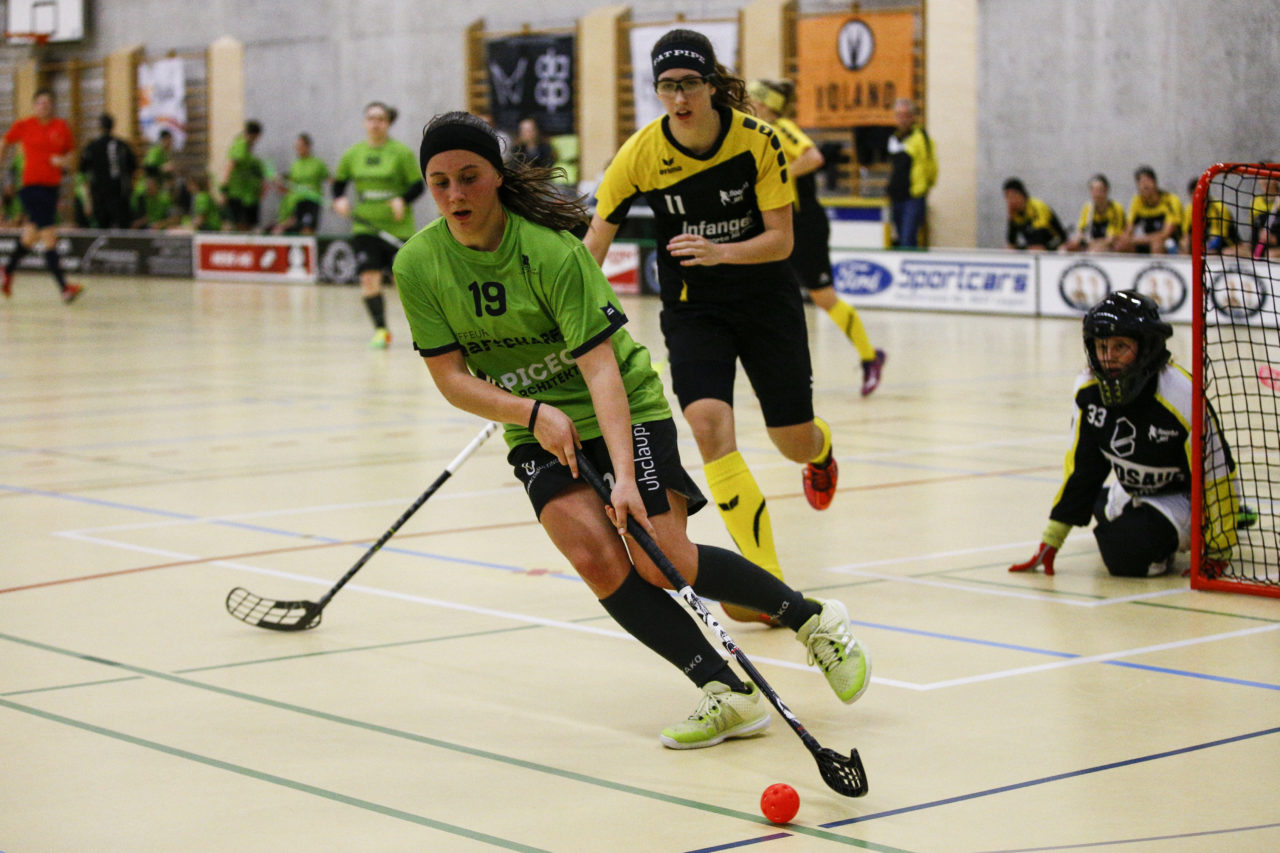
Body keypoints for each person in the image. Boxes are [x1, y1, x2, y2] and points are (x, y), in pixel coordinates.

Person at [394, 109, 870, 749]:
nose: (455, 195)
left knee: (661, 558)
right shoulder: (419, 265)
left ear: (498, 178)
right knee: (592, 557)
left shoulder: (552, 253)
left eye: (469, 177)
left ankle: (813, 620)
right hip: (538, 424)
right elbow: (451, 379)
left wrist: (621, 475)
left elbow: (602, 372)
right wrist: (531, 414)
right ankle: (724, 692)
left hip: (622, 406)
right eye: (440, 181)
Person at [582, 29, 840, 625]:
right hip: (694, 305)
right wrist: (572, 311)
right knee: (707, 424)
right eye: (667, 87)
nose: (679, 98)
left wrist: (722, 252)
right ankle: (767, 588)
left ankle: (820, 452)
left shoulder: (759, 141)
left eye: (690, 84)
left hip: (765, 296)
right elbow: (596, 238)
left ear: (711, 84)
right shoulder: (640, 153)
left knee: (791, 439)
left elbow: (782, 240)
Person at [1008, 291, 1240, 579]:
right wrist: (1051, 540)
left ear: (1147, 347)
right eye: (1102, 346)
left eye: (1121, 346)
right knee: (1096, 500)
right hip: (1132, 490)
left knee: (1121, 554)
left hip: (1182, 498)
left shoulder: (1181, 394)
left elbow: (1215, 475)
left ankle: (1202, 530)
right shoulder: (1087, 389)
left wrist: (1219, 549)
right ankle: (1155, 533)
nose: (1109, 357)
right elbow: (1083, 468)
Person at [747, 78, 886, 396]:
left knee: (824, 298)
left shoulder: (781, 127)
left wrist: (777, 176)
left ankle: (870, 357)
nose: (748, 105)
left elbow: (813, 158)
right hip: (778, 226)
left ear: (766, 105)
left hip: (805, 224)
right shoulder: (757, 134)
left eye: (753, 100)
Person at [332, 101, 423, 348]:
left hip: (397, 227)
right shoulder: (353, 153)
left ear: (387, 123)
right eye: (370, 118)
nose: (375, 123)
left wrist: (402, 200)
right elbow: (339, 183)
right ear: (365, 122)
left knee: (403, 281)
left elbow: (418, 185)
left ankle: (423, 330)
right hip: (366, 226)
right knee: (368, 279)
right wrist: (338, 199)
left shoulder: (401, 153)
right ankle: (381, 329)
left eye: (380, 119)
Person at [0, 89, 81, 303]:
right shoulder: (24, 125)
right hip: (31, 188)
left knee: (30, 237)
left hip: (51, 189)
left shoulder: (61, 127)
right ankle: (64, 288)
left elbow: (72, 158)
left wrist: (63, 161)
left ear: (52, 106)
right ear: (34, 105)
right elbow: (5, 141)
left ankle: (6, 271)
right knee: (49, 236)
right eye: (40, 103)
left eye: (47, 103)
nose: (44, 106)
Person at [886, 97, 938, 248]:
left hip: (913, 197)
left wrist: (924, 188)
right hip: (897, 196)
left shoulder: (920, 138)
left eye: (906, 115)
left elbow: (930, 166)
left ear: (913, 117)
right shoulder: (894, 138)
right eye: (899, 115)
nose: (902, 120)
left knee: (908, 240)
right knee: (899, 237)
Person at [78, 113, 137, 229]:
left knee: (102, 228)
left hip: (99, 194)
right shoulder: (122, 145)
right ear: (113, 126)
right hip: (119, 193)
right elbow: (134, 169)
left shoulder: (92, 146)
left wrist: (87, 198)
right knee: (122, 229)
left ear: (100, 127)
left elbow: (82, 170)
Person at [275, 133, 329, 234]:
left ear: (308, 146)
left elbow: (329, 179)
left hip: (312, 201)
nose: (298, 149)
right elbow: (290, 185)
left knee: (308, 229)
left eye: (301, 146)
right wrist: (281, 184)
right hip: (297, 202)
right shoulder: (295, 165)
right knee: (294, 228)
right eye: (297, 147)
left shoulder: (317, 163)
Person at [222, 120, 271, 232]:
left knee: (249, 225)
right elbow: (230, 165)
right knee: (240, 224)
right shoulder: (241, 145)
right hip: (238, 193)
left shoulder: (250, 149)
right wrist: (224, 189)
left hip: (248, 195)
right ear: (255, 135)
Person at [1124, 165, 1182, 255]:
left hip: (1171, 243)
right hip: (1147, 241)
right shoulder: (1137, 201)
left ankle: (1158, 269)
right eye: (1140, 182)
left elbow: (1166, 233)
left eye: (1147, 181)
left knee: (1157, 244)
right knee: (1122, 244)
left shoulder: (1171, 200)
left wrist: (1137, 239)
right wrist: (1127, 239)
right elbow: (1128, 231)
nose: (1144, 185)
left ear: (1155, 182)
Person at [1063, 173, 1128, 253]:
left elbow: (1111, 238)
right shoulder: (1088, 208)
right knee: (1066, 248)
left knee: (1099, 250)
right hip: (1092, 243)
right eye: (1094, 191)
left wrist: (1094, 245)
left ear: (1106, 190)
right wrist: (1074, 243)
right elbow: (1081, 232)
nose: (1097, 195)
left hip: (1112, 244)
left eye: (1100, 190)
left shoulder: (1116, 208)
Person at [1003, 177, 1065, 251]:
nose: (1010, 201)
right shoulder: (1015, 214)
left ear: (1021, 195)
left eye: (1012, 196)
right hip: (1033, 246)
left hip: (1055, 241)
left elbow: (1040, 235)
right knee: (1009, 250)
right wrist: (1010, 219)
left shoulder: (1037, 207)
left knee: (1036, 250)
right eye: (1007, 197)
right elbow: (1012, 241)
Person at [1180, 176, 1237, 255]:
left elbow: (1216, 241)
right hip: (1204, 248)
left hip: (1225, 246)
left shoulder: (1219, 209)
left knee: (1218, 253)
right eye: (1194, 197)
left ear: (1206, 194)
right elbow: (1185, 235)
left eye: (1200, 196)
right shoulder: (1189, 209)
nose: (1197, 200)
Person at [1247, 175, 1279, 259]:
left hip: (1276, 246)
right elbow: (1253, 230)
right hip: (1260, 247)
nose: (1265, 181)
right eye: (1262, 178)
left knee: (1271, 254)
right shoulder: (1255, 202)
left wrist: (1275, 239)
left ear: (1276, 180)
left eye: (1268, 178)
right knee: (1231, 252)